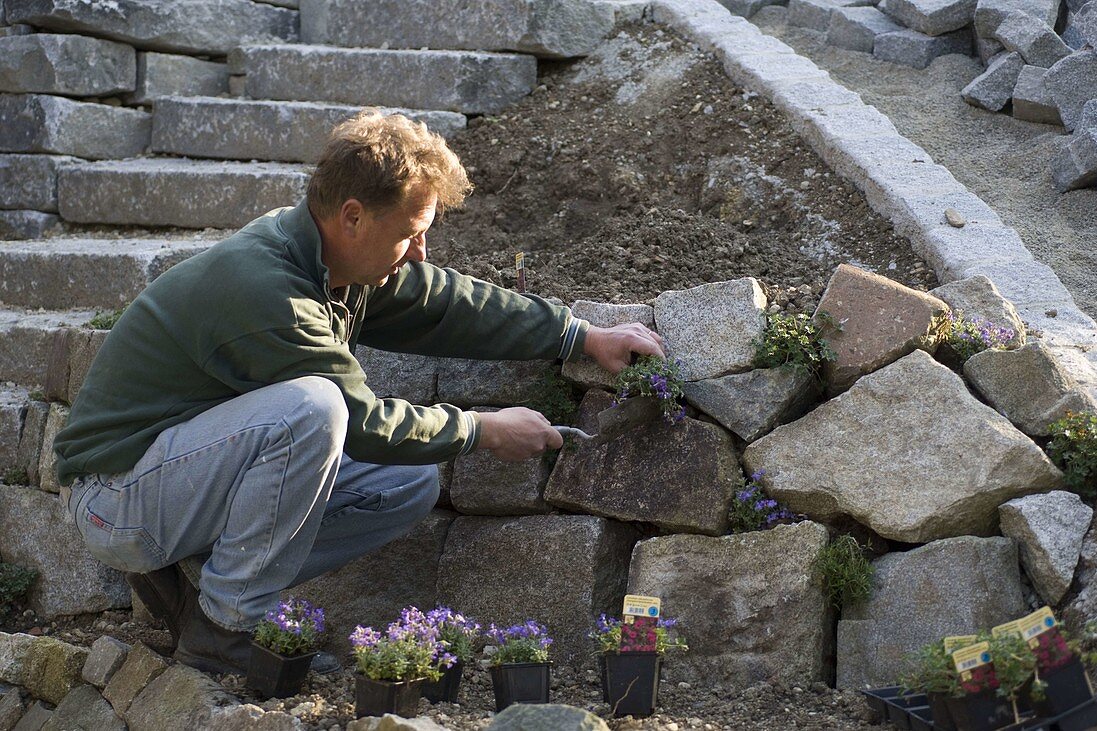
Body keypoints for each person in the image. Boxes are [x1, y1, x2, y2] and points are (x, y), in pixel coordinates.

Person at [53, 110, 664, 675]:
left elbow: (446, 304)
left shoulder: (333, 259)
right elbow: (358, 420)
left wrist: (579, 335)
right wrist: (484, 429)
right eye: (413, 232)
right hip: (117, 499)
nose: (421, 251)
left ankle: (200, 584)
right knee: (312, 408)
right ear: (353, 216)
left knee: (407, 483)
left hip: (179, 482)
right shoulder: (269, 291)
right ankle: (224, 631)